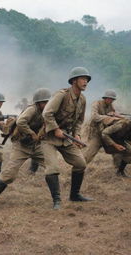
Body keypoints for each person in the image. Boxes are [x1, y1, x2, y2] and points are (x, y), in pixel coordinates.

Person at [0, 88, 51, 210]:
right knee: (9, 173)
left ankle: (57, 201)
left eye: (47, 102)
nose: (46, 104)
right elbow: (20, 122)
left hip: (36, 146)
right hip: (21, 145)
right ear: (38, 103)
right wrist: (31, 133)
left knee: (52, 167)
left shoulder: (47, 112)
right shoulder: (31, 110)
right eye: (43, 102)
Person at [42, 67, 92, 209]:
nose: (86, 82)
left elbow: (79, 121)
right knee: (52, 168)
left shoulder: (82, 99)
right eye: (83, 79)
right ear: (74, 81)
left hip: (67, 137)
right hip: (49, 137)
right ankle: (57, 200)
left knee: (80, 164)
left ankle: (74, 195)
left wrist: (77, 134)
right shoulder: (61, 95)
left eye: (87, 79)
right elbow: (47, 113)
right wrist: (55, 129)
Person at [101, 112, 131, 177]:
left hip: (119, 140)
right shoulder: (121, 125)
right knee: (91, 151)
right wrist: (115, 145)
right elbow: (104, 133)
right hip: (107, 138)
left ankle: (120, 172)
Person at [83, 89, 120, 164]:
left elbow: (113, 117)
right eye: (109, 98)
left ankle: (119, 171)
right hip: (96, 133)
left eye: (112, 99)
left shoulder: (111, 106)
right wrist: (107, 117)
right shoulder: (96, 104)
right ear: (105, 98)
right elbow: (94, 117)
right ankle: (79, 169)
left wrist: (115, 115)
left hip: (106, 133)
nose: (111, 100)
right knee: (90, 153)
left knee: (117, 151)